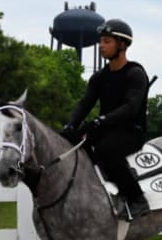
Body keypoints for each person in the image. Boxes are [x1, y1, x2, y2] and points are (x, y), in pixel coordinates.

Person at [61, 18, 151, 219]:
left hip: (131, 132)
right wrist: (70, 125)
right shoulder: (99, 77)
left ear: (122, 45)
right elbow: (85, 104)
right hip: (106, 129)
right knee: (71, 143)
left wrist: (101, 121)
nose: (101, 46)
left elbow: (130, 108)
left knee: (106, 151)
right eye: (100, 41)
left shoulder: (135, 74)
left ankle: (137, 199)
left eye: (106, 41)